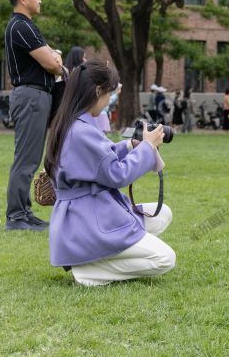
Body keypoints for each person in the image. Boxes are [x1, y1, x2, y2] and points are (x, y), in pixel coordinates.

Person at [45, 60, 175, 286]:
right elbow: (117, 174)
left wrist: (131, 146)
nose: (108, 102)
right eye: (109, 94)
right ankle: (92, 270)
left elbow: (101, 158)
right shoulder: (82, 131)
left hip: (87, 215)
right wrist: (147, 147)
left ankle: (101, 257)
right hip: (89, 221)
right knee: (165, 259)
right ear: (97, 91)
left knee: (162, 213)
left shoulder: (73, 123)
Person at [4, 0, 64, 231]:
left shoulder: (27, 26)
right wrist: (55, 59)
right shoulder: (20, 26)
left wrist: (55, 58)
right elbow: (53, 63)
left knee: (30, 157)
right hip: (31, 96)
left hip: (37, 95)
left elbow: (54, 57)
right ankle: (16, 216)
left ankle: (25, 213)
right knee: (26, 159)